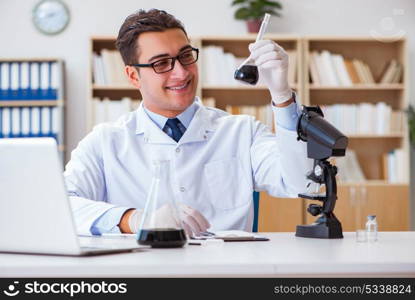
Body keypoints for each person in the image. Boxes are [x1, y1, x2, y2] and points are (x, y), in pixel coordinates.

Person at [64, 9, 311, 237]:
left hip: (225, 275)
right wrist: (135, 220)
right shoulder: (105, 141)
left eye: (185, 56)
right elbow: (61, 206)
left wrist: (282, 96)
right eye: (161, 63)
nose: (181, 73)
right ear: (133, 76)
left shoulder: (242, 131)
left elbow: (301, 184)